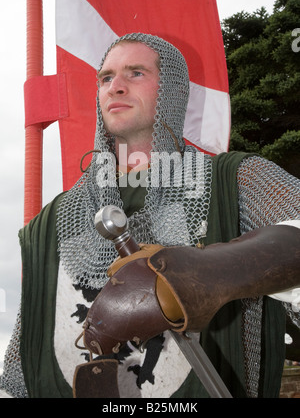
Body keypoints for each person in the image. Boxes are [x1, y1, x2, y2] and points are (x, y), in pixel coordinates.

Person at [0, 33, 300, 399]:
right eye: (106, 78)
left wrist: (204, 273)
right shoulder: (51, 222)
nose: (117, 87)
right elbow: (23, 365)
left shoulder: (235, 181)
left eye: (136, 73)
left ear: (171, 89)